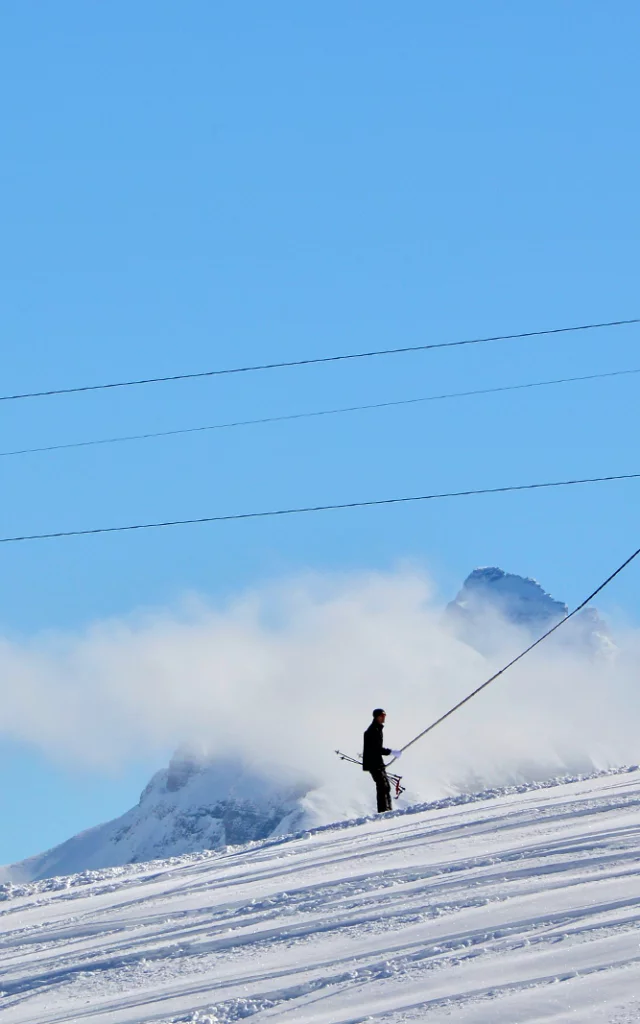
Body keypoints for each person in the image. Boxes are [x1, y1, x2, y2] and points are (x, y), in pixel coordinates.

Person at [362, 708, 402, 813]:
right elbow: (377, 749)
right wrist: (391, 752)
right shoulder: (372, 731)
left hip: (377, 762)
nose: (384, 718)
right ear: (378, 717)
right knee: (382, 786)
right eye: (382, 716)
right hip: (373, 763)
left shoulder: (377, 729)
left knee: (386, 786)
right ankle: (383, 810)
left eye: (385, 715)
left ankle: (387, 809)